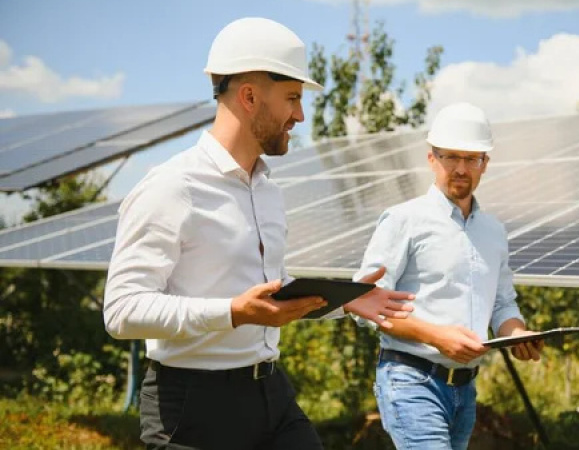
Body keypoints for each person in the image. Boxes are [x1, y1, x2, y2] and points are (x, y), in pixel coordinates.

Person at [103, 17, 414, 450]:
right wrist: (233, 312)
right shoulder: (171, 187)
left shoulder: (268, 191)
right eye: (292, 98)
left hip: (270, 393)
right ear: (249, 96)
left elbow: (268, 300)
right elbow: (120, 312)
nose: (300, 115)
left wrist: (346, 300)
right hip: (191, 410)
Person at [353, 102, 544, 449]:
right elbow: (366, 302)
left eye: (471, 158)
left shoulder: (494, 231)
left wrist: (518, 334)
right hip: (411, 380)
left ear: (485, 163)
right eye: (450, 157)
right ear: (432, 159)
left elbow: (503, 305)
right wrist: (436, 336)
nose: (460, 168)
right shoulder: (403, 220)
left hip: (465, 389)